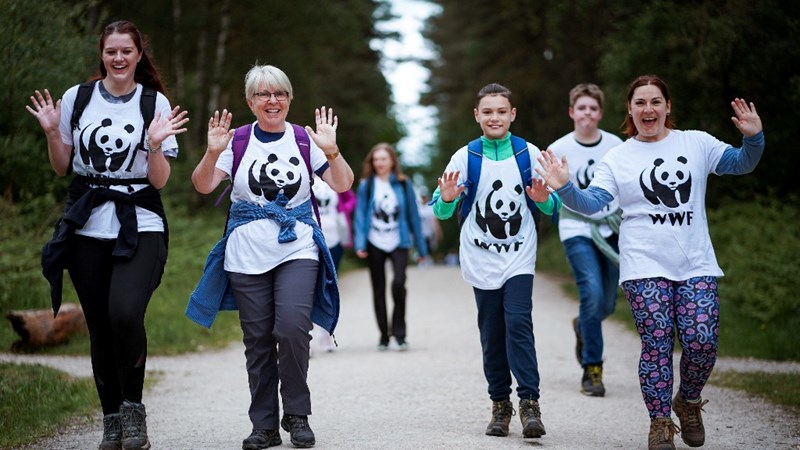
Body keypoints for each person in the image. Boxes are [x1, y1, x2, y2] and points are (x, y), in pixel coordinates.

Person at [535, 75, 764, 450]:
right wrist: (565, 188)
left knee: (702, 342)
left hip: (695, 263)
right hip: (643, 265)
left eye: (655, 101)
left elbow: (741, 164)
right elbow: (592, 204)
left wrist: (753, 139)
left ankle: (687, 401)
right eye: (640, 102)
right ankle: (659, 423)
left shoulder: (696, 143)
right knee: (657, 343)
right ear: (629, 109)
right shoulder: (618, 157)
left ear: (667, 106)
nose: (648, 109)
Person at [28, 20, 188, 450]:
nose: (118, 58)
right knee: (100, 326)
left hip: (141, 221)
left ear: (139, 55)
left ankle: (134, 411)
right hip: (87, 224)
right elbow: (62, 167)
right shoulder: (76, 98)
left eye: (126, 51)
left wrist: (154, 145)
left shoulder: (154, 103)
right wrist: (51, 132)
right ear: (102, 54)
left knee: (125, 314)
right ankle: (112, 419)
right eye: (111, 51)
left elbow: (159, 180)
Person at [186, 64, 353, 449]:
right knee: (258, 338)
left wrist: (332, 150)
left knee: (293, 329)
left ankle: (296, 414)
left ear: (289, 99)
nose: (272, 100)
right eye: (263, 94)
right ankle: (264, 425)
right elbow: (203, 185)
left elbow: (343, 184)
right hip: (246, 252)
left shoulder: (305, 140)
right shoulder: (237, 141)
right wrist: (212, 153)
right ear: (251, 102)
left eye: (279, 93)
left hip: (298, 246)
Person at [431, 83, 559, 441]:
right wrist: (447, 198)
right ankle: (500, 405)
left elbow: (553, 206)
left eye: (501, 111)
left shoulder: (528, 153)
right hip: (480, 257)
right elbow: (440, 211)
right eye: (487, 111)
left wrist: (543, 198)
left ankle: (530, 404)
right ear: (476, 115)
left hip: (519, 255)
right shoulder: (465, 157)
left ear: (512, 114)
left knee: (518, 323)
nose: (495, 117)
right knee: (492, 334)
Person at [547, 83, 623, 397]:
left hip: (611, 227)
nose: (587, 113)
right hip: (576, 228)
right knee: (591, 292)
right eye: (582, 108)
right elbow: (548, 192)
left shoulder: (616, 146)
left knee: (606, 303)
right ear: (571, 112)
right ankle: (593, 369)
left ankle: (583, 325)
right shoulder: (558, 148)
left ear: (600, 113)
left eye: (593, 108)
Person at [353, 142, 428, 351]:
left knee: (399, 284)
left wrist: (421, 248)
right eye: (376, 159)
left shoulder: (404, 184)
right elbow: (360, 215)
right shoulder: (367, 185)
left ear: (392, 161)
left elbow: (414, 217)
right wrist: (360, 243)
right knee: (378, 289)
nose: (379, 163)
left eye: (383, 159)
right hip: (374, 241)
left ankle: (400, 334)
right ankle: (384, 336)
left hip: (399, 240)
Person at [310, 176, 356, 353]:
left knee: (328, 288)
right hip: (309, 240)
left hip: (334, 240)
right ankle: (306, 337)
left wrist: (343, 209)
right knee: (307, 288)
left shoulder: (333, 175)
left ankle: (325, 333)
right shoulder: (302, 173)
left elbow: (351, 198)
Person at [418, 193, 443, 264]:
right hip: (420, 233)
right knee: (421, 246)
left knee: (429, 247)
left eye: (424, 197)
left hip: (429, 232)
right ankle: (422, 260)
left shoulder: (430, 207)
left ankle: (428, 259)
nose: (423, 199)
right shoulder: (418, 207)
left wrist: (438, 231)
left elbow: (435, 221)